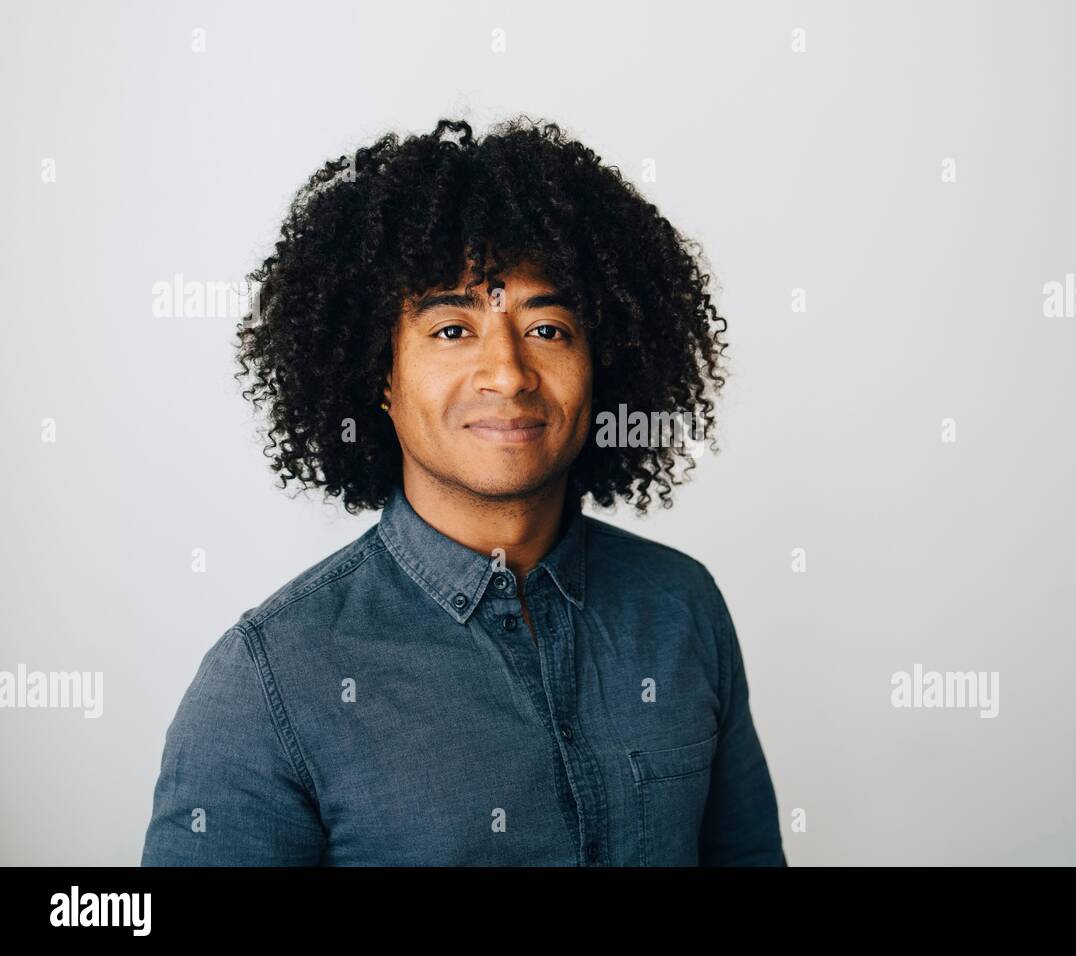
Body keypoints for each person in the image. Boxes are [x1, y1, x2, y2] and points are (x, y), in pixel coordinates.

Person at [140, 116, 785, 866]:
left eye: (548, 329)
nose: (508, 373)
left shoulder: (681, 608)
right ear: (378, 376)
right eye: (452, 329)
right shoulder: (269, 682)